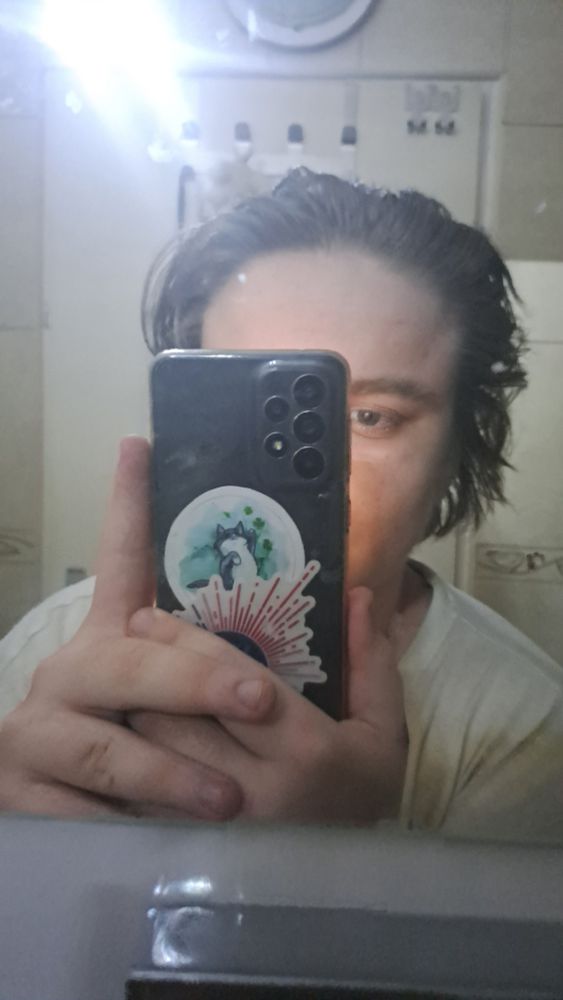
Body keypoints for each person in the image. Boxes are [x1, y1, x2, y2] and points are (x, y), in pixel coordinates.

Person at [0, 169, 562, 839]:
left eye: (371, 417)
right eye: (246, 408)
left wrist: (331, 858)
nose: (318, 467)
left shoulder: (524, 731)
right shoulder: (52, 654)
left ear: (455, 455)